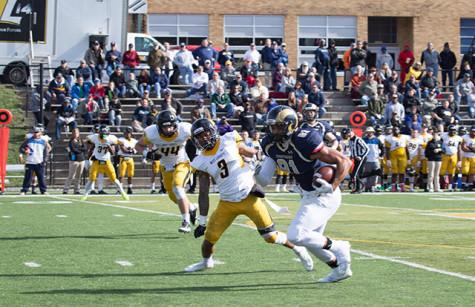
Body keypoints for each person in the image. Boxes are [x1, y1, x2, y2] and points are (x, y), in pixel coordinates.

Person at [184, 118, 313, 273]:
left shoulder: (229, 139)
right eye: (199, 137)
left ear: (213, 131)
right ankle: (206, 262)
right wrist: (202, 221)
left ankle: (298, 249)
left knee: (270, 237)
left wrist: (260, 159)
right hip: (226, 203)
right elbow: (203, 192)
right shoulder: (200, 161)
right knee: (208, 241)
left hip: (249, 198)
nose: (204, 138)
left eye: (205, 134)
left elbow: (249, 152)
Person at [255, 106, 353, 283]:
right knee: (312, 241)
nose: (274, 130)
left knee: (296, 234)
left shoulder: (305, 139)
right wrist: (253, 170)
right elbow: (263, 180)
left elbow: (344, 161)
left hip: (324, 194)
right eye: (272, 126)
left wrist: (333, 185)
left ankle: (340, 247)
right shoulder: (269, 144)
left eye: (279, 126)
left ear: (291, 125)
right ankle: (340, 270)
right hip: (308, 195)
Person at [136, 110, 197, 232]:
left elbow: (198, 138)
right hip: (165, 166)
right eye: (165, 127)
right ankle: (191, 207)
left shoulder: (184, 129)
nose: (169, 129)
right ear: (159, 127)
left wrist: (198, 154)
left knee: (178, 188)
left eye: (171, 126)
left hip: (182, 163)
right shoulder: (151, 133)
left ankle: (186, 222)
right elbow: (138, 145)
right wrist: (147, 154)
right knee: (172, 195)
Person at [82, 125, 129, 200]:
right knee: (91, 178)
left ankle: (123, 193)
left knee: (114, 179)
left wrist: (108, 145)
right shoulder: (95, 137)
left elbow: (113, 152)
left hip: (107, 162)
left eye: (105, 133)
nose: (103, 135)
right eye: (102, 133)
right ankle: (85, 195)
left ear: (108, 133)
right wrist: (87, 159)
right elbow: (87, 143)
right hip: (96, 161)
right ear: (99, 132)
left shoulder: (111, 139)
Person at [19, 126, 51, 195]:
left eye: (37, 132)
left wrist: (44, 161)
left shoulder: (43, 142)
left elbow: (46, 152)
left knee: (41, 177)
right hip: (30, 162)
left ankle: (43, 190)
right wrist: (25, 151)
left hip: (39, 162)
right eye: (34, 132)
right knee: (28, 177)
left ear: (40, 133)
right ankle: (24, 190)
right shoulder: (28, 140)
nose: (35, 133)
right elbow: (21, 148)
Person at [63, 128, 86, 194]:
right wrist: (80, 149)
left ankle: (76, 190)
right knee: (71, 176)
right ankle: (66, 189)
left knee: (78, 176)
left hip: (81, 160)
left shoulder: (81, 140)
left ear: (79, 133)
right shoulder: (71, 141)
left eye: (77, 133)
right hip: (74, 160)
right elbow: (73, 150)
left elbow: (85, 148)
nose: (75, 134)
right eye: (74, 133)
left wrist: (79, 149)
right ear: (72, 134)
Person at [385, 126, 409, 192]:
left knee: (402, 172)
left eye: (397, 129)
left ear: (399, 130)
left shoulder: (404, 137)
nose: (395, 131)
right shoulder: (389, 138)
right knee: (394, 172)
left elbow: (406, 149)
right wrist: (388, 159)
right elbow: (387, 150)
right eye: (394, 130)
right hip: (393, 157)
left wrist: (409, 158)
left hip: (403, 156)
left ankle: (402, 186)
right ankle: (393, 186)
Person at [440, 125, 462, 191]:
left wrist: (460, 160)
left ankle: (450, 186)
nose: (453, 132)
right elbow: (439, 144)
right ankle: (442, 185)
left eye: (454, 130)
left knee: (452, 172)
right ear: (448, 130)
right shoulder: (443, 136)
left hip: (454, 155)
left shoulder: (458, 138)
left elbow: (459, 149)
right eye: (451, 130)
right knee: (442, 172)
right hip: (445, 155)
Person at [347, 129, 369, 194]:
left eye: (349, 133)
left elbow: (367, 149)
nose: (348, 134)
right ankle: (357, 188)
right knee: (354, 173)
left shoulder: (358, 139)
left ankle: (358, 189)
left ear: (352, 132)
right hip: (355, 159)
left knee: (355, 173)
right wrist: (352, 155)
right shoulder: (350, 140)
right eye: (347, 133)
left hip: (361, 158)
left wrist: (361, 156)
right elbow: (352, 149)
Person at [362, 127, 384, 192]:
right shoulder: (363, 140)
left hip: (375, 160)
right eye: (368, 132)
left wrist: (380, 155)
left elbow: (382, 148)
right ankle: (367, 187)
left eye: (370, 132)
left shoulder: (377, 140)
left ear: (373, 132)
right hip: (366, 160)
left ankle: (374, 187)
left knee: (376, 174)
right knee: (367, 174)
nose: (369, 133)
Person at [118, 127, 138, 194]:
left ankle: (129, 188)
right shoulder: (121, 139)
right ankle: (120, 189)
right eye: (125, 132)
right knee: (121, 174)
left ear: (130, 133)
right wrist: (131, 150)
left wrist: (132, 150)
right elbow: (123, 150)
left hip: (130, 159)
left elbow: (136, 150)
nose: (125, 134)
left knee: (130, 175)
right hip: (123, 158)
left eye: (127, 132)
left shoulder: (134, 141)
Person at [461, 126, 475, 190]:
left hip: (474, 158)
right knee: (465, 172)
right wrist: (472, 150)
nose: (473, 133)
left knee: (472, 172)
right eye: (472, 131)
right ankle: (464, 184)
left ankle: (470, 185)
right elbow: (463, 148)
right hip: (466, 157)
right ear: (470, 131)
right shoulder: (465, 137)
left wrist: (470, 149)